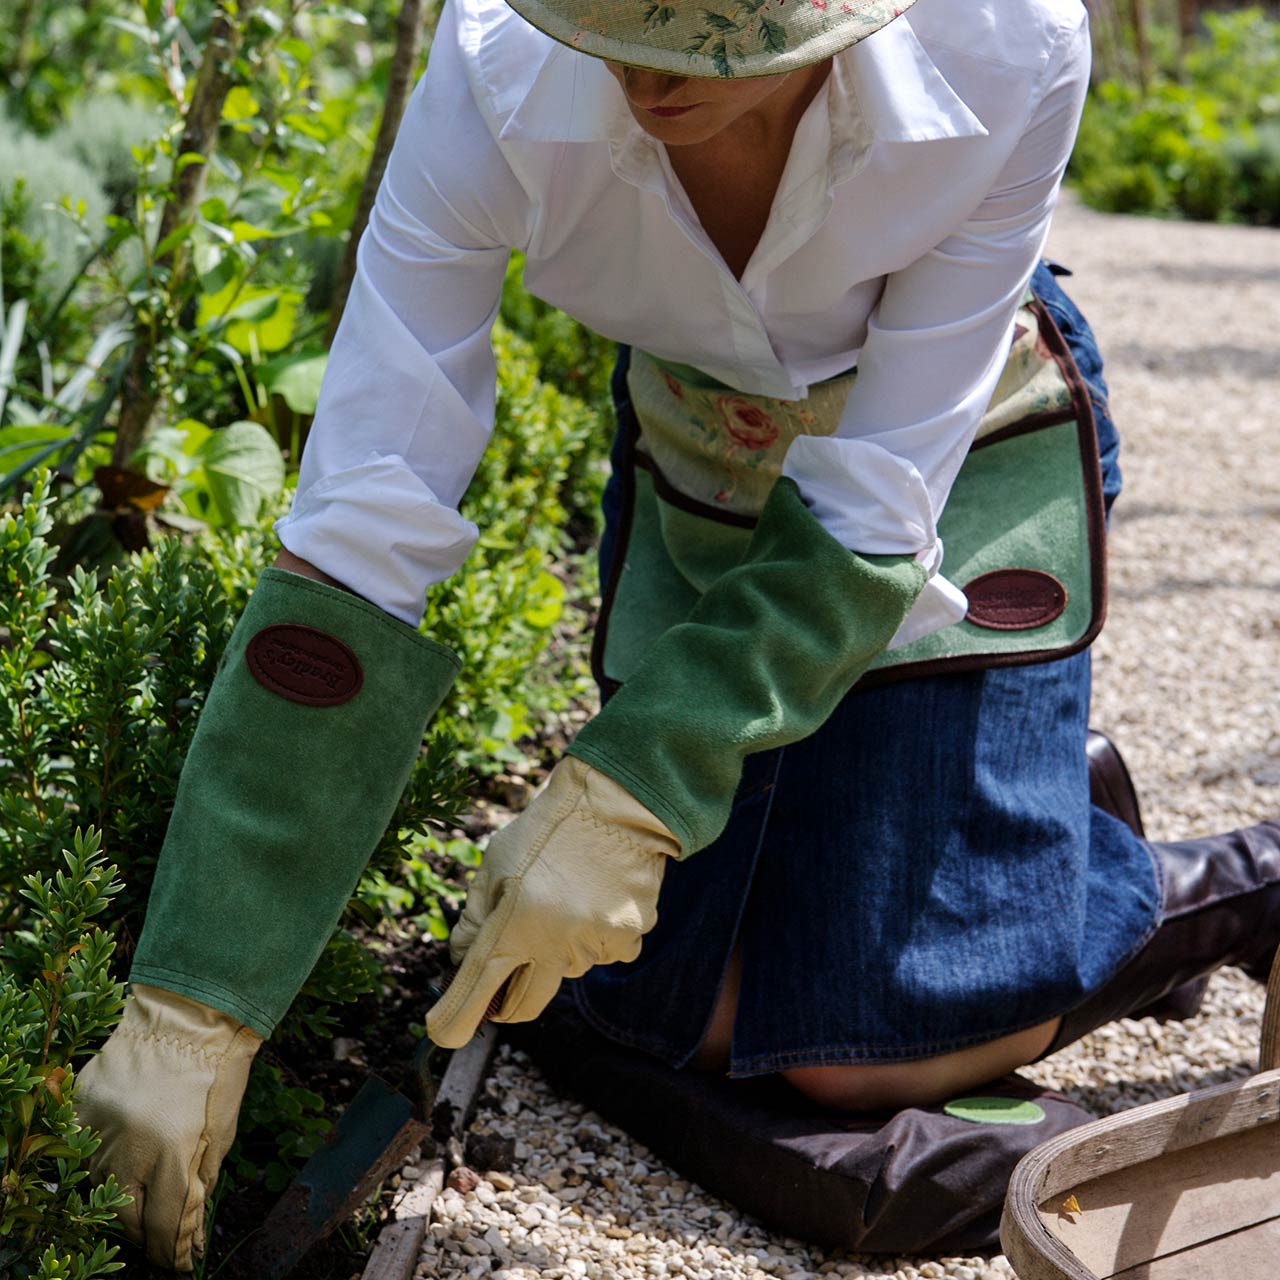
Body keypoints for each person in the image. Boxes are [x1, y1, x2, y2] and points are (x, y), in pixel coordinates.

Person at [76, 0, 1280, 1268]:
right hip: (705, 460)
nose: (654, 77)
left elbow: (875, 499)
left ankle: (1227, 883)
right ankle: (1009, 823)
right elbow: (361, 525)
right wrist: (192, 1000)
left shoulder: (1008, 44)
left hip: (947, 472)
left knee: (848, 1057)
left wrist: (635, 789)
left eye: (718, 29)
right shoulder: (492, 75)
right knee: (631, 998)